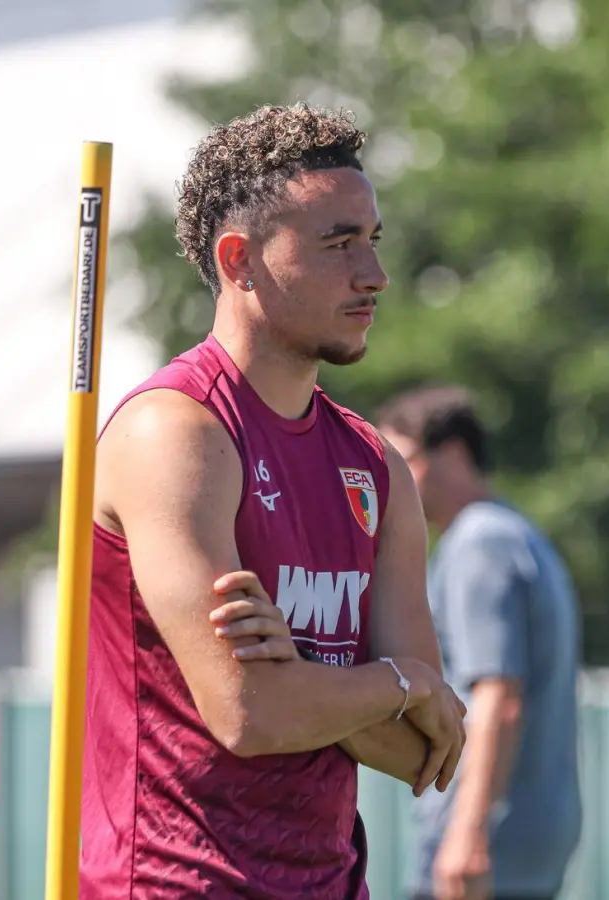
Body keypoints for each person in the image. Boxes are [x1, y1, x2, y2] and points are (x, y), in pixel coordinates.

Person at [80, 103, 467, 899]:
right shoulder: (175, 434)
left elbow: (425, 753)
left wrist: (309, 679)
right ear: (240, 260)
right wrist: (396, 682)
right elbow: (249, 714)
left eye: (372, 240)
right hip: (169, 885)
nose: (375, 275)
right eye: (338, 244)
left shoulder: (375, 464)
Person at [374, 385, 584, 900]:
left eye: (402, 461)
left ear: (453, 455)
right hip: (527, 836)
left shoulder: (479, 544)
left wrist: (467, 833)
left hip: (484, 843)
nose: (390, 481)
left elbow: (498, 698)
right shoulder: (517, 534)